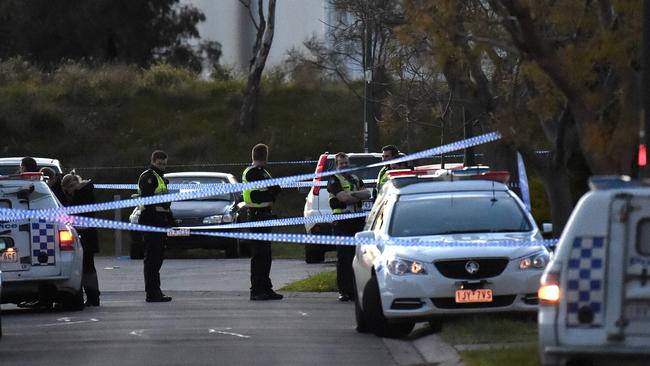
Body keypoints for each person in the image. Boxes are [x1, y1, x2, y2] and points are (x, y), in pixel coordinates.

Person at [242, 143, 283, 301]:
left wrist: (270, 191)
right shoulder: (252, 172)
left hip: (264, 214)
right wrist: (270, 191)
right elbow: (273, 189)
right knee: (259, 254)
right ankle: (256, 289)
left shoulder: (263, 172)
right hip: (256, 215)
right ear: (265, 156)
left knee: (266, 255)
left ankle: (266, 287)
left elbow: (275, 189)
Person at [327, 152, 370, 302]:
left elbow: (367, 194)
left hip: (357, 221)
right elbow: (343, 198)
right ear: (336, 165)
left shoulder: (355, 178)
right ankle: (344, 291)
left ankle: (354, 290)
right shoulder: (333, 180)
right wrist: (356, 196)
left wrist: (352, 193)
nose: (344, 165)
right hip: (342, 221)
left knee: (356, 257)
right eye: (341, 163)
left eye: (346, 163)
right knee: (344, 257)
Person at [137, 150, 174, 303]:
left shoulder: (161, 178)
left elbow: (164, 204)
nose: (162, 166)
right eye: (159, 164)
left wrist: (171, 221)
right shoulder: (149, 177)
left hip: (159, 221)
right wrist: (156, 223)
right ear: (152, 162)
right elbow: (149, 203)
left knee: (157, 258)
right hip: (151, 222)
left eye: (164, 164)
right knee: (152, 259)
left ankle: (155, 291)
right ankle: (152, 293)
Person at [61, 172, 101, 306]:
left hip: (85, 234)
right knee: (88, 267)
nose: (70, 192)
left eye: (70, 189)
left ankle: (93, 297)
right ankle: (93, 296)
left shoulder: (83, 194)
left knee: (87, 267)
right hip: (87, 233)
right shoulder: (85, 192)